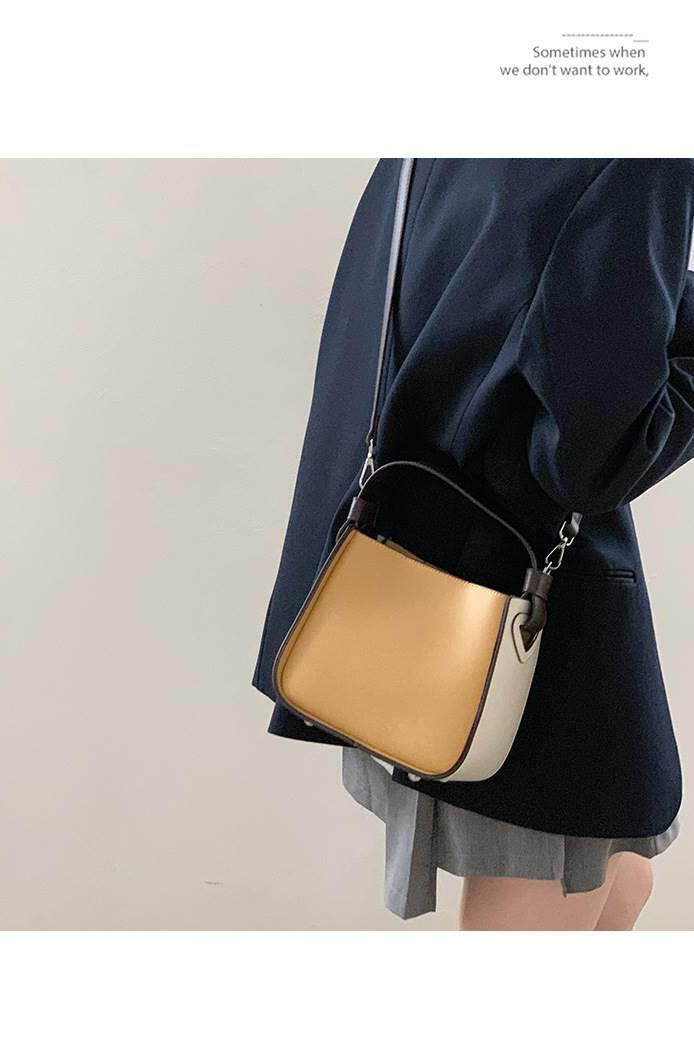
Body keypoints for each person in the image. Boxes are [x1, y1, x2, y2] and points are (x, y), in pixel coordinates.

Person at [252, 158, 694, 930]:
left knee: (620, 882)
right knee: (561, 893)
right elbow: (598, 456)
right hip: (513, 623)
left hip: (395, 570)